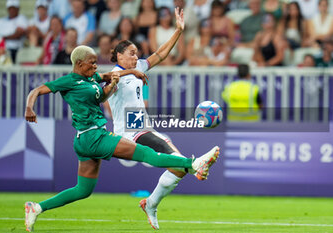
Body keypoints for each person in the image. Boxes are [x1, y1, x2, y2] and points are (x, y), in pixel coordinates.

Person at [24, 45, 219, 232]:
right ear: (79, 63)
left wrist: (124, 77)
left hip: (84, 140)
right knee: (146, 153)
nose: (95, 66)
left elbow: (106, 82)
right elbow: (37, 90)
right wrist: (29, 107)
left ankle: (37, 208)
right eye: (91, 63)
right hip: (94, 137)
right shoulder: (69, 81)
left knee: (83, 190)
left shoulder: (92, 79)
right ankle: (193, 164)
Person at [107, 8, 220, 230]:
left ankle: (151, 204)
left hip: (142, 125)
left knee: (176, 166)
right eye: (131, 52)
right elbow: (106, 83)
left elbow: (160, 54)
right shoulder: (114, 74)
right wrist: (129, 73)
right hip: (129, 131)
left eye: (136, 52)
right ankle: (197, 164)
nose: (136, 56)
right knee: (174, 155)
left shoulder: (138, 67)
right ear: (119, 56)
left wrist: (178, 31)